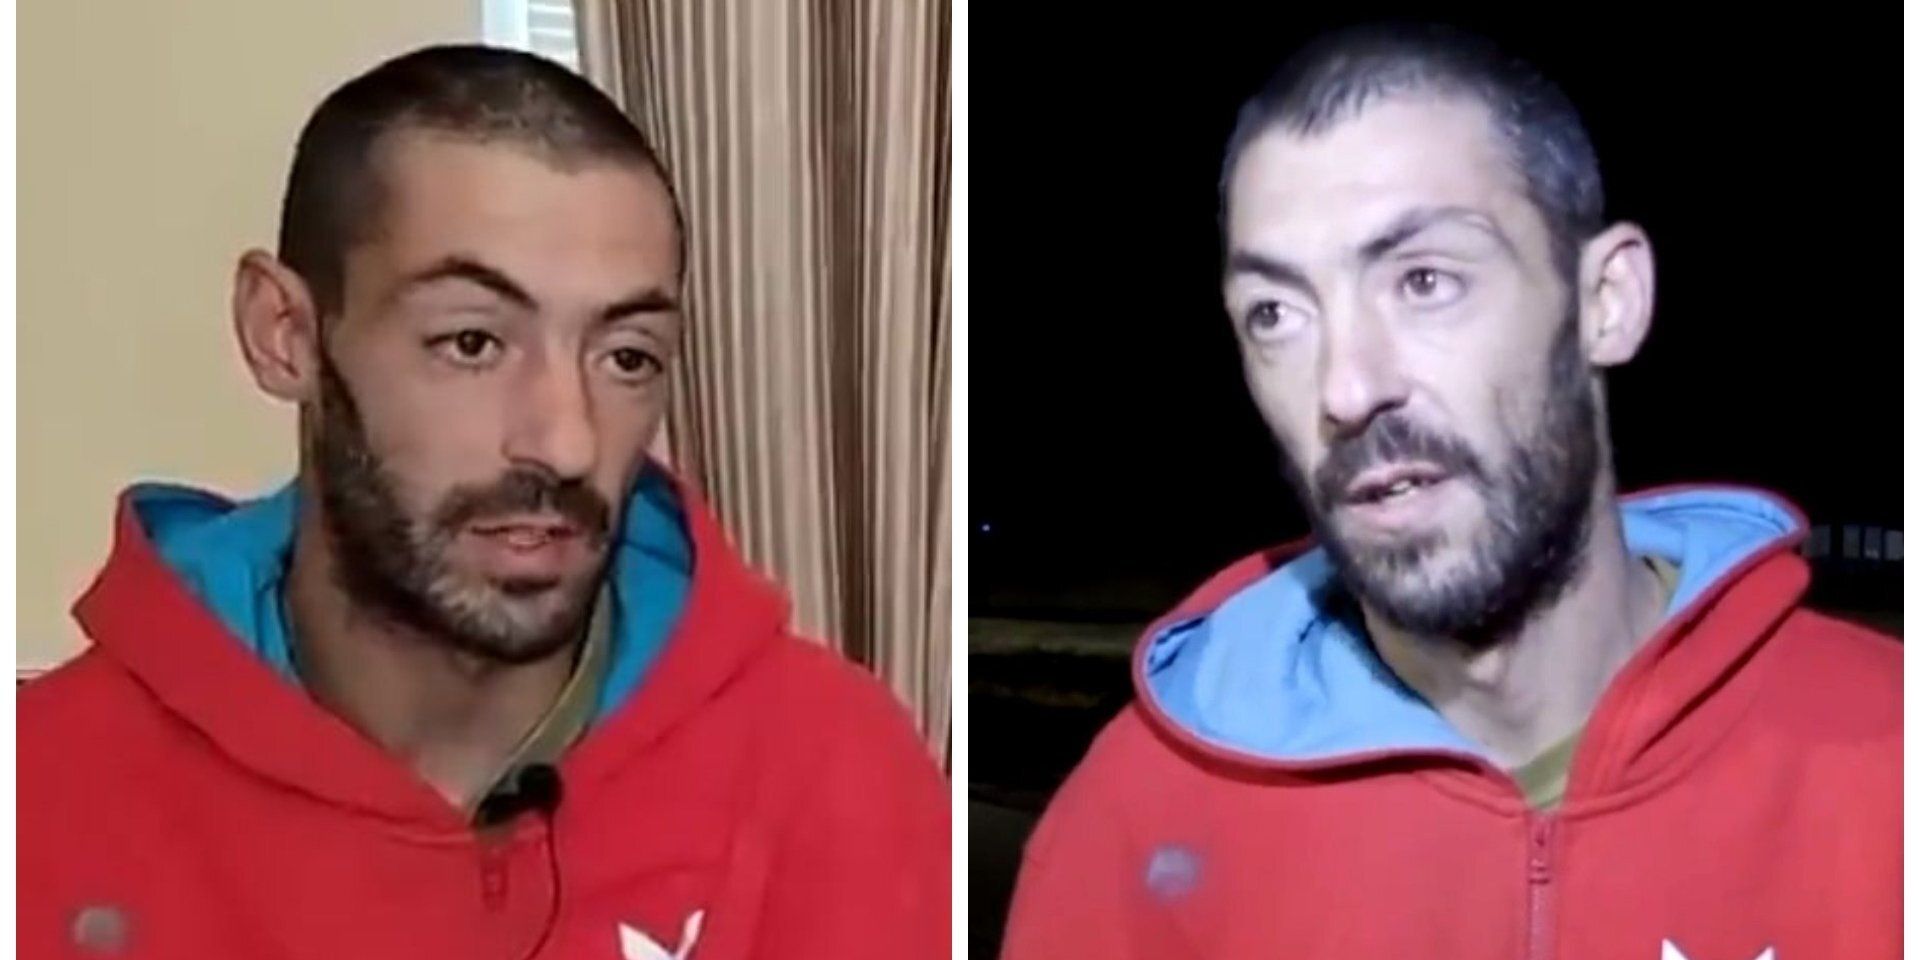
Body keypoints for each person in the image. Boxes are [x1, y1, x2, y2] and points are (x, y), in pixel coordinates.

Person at [20, 45, 947, 960]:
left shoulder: (830, 774)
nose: (566, 442)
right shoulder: (42, 797)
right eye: (473, 343)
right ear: (286, 335)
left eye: (626, 357)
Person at [1001, 22, 1898, 960]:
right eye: (1277, 314)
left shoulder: (1889, 761)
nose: (1347, 389)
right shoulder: (1135, 826)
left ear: (1607, 302)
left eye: (1425, 281)